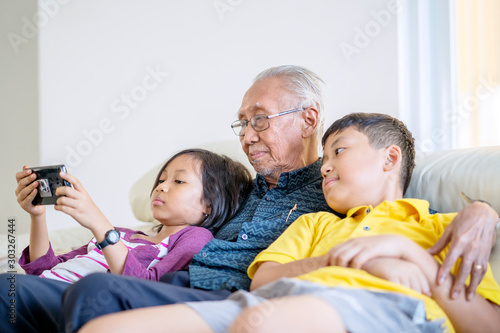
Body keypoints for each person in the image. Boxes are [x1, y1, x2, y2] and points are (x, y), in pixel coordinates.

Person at [4, 66, 498, 332]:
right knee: (10, 292)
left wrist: (481, 208)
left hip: (231, 297)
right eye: (241, 124)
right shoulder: (237, 187)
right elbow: (171, 227)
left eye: (260, 119)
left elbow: (397, 209)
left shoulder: (333, 194)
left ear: (309, 120)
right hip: (173, 280)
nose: (247, 135)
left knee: (97, 295)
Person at [80, 113, 500, 333]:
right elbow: (264, 280)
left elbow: (486, 325)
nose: (325, 167)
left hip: (386, 312)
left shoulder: (442, 226)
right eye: (323, 158)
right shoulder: (316, 223)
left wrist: (409, 254)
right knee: (105, 327)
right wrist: (352, 261)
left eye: (339, 151)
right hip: (269, 302)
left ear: (389, 158)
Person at [0, 148, 252, 332]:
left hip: (81, 302)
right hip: (49, 294)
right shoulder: (122, 233)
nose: (162, 186)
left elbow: (145, 289)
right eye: (162, 179)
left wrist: (100, 225)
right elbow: (45, 271)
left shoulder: (195, 237)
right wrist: (37, 216)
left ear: (210, 203)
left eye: (178, 181)